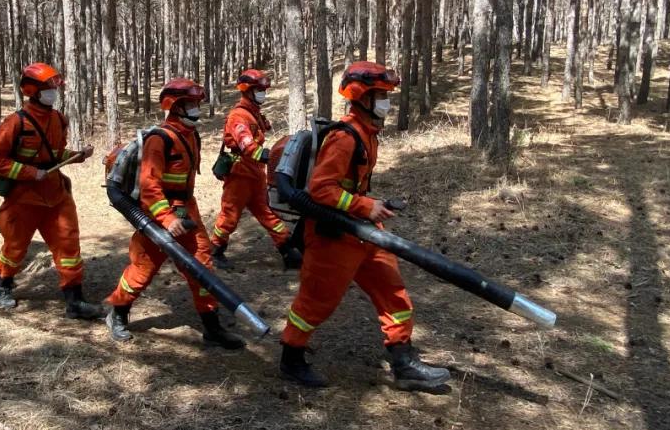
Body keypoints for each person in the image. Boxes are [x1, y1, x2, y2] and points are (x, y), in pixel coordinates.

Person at [278, 62, 449, 390]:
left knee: (393, 290)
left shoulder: (368, 134)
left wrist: (370, 206)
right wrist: (365, 206)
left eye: (387, 95)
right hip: (332, 235)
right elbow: (321, 190)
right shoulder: (345, 138)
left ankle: (404, 363)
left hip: (361, 231)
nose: (386, 101)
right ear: (362, 98)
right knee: (316, 301)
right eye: (381, 95)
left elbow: (350, 187)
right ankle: (292, 357)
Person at [104, 78, 244, 349]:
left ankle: (212, 326)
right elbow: (149, 187)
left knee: (202, 268)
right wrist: (167, 219)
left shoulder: (191, 135)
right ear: (175, 106)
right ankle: (117, 313)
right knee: (143, 269)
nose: (196, 108)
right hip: (157, 216)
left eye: (196, 103)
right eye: (190, 104)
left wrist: (181, 214)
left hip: (187, 209)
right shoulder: (160, 140)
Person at [0, 62, 101, 317]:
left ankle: (75, 301)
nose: (53, 92)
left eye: (54, 87)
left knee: (69, 246)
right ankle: (2, 284)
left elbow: (55, 155)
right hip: (24, 199)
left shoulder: (58, 119)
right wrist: (28, 172)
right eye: (48, 88)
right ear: (32, 90)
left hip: (56, 195)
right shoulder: (16, 122)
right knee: (15, 248)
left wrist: (77, 155)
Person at [209, 69, 301, 270]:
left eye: (263, 89)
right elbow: (247, 145)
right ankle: (215, 250)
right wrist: (270, 156)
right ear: (248, 91)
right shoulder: (239, 116)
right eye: (259, 89)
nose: (263, 93)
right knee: (230, 215)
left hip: (256, 174)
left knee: (267, 213)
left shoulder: (254, 113)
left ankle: (287, 249)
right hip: (240, 175)